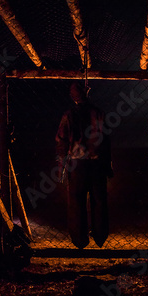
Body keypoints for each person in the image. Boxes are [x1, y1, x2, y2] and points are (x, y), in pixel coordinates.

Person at [55, 82, 113, 249]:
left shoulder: (69, 115)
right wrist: (108, 165)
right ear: (87, 93)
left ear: (73, 96)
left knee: (76, 202)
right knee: (99, 201)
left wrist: (62, 165)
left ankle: (79, 240)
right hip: (96, 164)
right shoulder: (99, 113)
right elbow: (106, 141)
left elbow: (61, 141)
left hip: (77, 164)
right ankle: (100, 236)